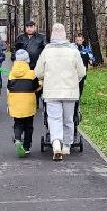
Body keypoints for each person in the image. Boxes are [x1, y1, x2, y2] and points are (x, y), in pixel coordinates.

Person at [34, 23, 86, 160]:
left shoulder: (46, 51)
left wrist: (46, 78)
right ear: (65, 35)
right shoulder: (73, 51)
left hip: (51, 92)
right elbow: (82, 72)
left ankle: (56, 143)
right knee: (68, 119)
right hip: (70, 92)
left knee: (54, 119)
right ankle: (67, 146)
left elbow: (38, 72)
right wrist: (74, 80)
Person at [6, 49, 40, 157]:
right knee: (29, 126)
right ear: (27, 60)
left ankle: (17, 139)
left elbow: (9, 87)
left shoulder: (11, 74)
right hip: (28, 103)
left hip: (15, 103)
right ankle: (26, 147)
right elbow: (36, 87)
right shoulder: (32, 74)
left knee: (18, 123)